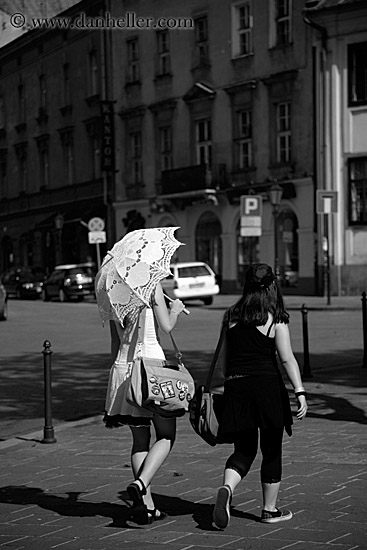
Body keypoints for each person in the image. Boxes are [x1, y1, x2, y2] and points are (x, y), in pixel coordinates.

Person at [213, 263, 307, 529]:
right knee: (271, 450)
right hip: (267, 389)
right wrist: (299, 392)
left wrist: (229, 383)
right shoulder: (275, 318)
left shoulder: (230, 316)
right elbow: (287, 360)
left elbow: (222, 362)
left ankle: (228, 489)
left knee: (243, 450)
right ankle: (269, 510)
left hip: (237, 387)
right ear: (272, 287)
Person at [103, 280, 186, 525]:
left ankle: (147, 506)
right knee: (166, 435)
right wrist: (176, 309)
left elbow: (115, 343)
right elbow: (166, 325)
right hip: (151, 370)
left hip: (124, 369)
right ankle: (140, 483)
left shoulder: (113, 291)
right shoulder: (151, 285)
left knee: (140, 439)